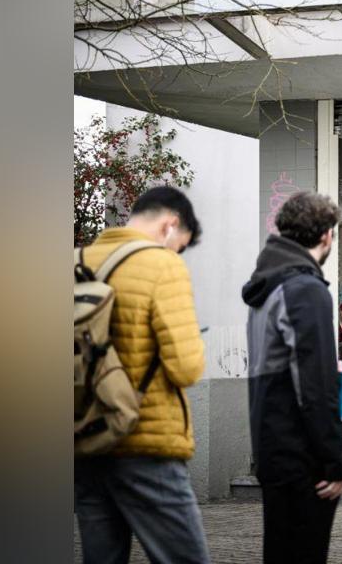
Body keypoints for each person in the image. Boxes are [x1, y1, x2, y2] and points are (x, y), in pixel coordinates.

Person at [74, 186, 209, 564]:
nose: (177, 253)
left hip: (85, 438)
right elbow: (186, 367)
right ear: (171, 224)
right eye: (179, 245)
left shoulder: (75, 260)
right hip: (145, 443)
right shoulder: (162, 265)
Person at [242, 192, 342, 564]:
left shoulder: (267, 286)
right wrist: (335, 462)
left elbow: (287, 368)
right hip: (303, 458)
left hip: (273, 448)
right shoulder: (305, 289)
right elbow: (314, 390)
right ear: (326, 237)